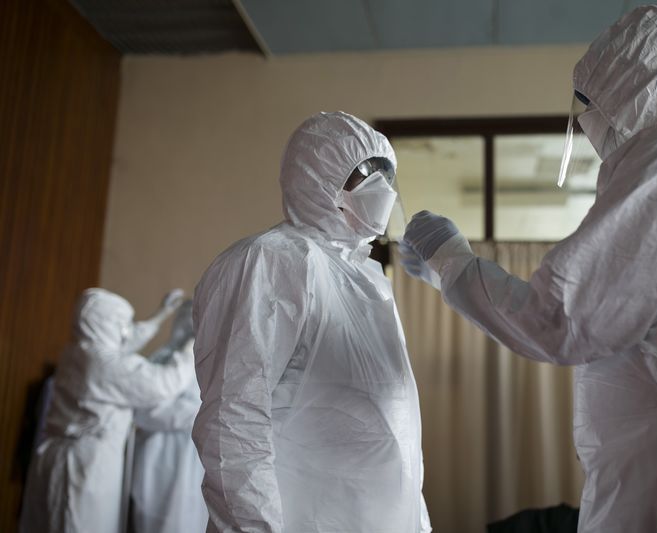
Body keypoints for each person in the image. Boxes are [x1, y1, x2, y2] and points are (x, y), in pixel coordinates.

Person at [400, 6, 657, 533]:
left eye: (587, 100)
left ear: (629, 88)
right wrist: (448, 273)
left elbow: (560, 318)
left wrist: (450, 259)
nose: (584, 119)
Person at [192, 111, 430, 532]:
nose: (384, 188)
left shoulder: (367, 278)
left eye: (387, 174)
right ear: (318, 179)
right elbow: (235, 418)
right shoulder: (275, 261)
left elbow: (399, 433)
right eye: (366, 174)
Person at [19, 288, 195, 533]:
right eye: (122, 325)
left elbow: (123, 343)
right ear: (103, 324)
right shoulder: (104, 365)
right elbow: (162, 384)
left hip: (61, 457)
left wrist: (159, 316)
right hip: (86, 465)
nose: (127, 331)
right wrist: (189, 352)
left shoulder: (77, 352)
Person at [131, 300, 208, 533]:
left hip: (194, 456)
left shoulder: (212, 362)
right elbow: (143, 410)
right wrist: (198, 414)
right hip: (160, 453)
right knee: (157, 517)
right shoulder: (162, 359)